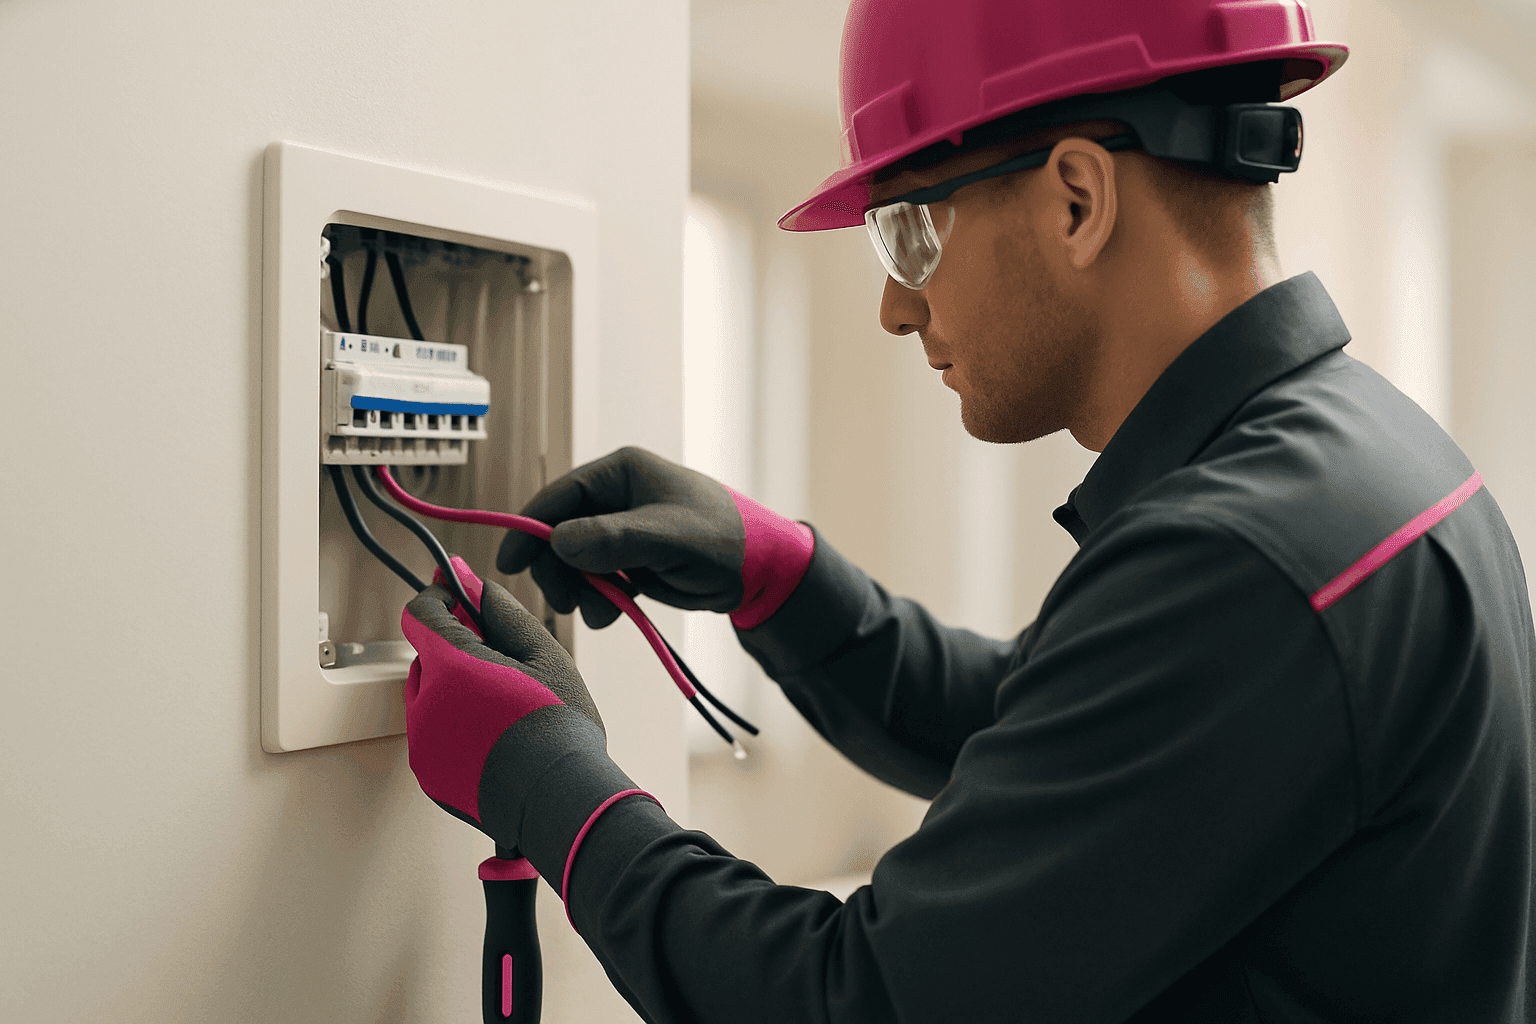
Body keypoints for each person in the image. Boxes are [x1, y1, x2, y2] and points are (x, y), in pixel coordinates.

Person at [399, 1, 1536, 1020]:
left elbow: (855, 1000)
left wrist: (547, 782)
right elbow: (1067, 737)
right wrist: (786, 580)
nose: (897, 306)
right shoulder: (1366, 462)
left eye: (909, 230)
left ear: (1078, 199)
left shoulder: (1241, 558)